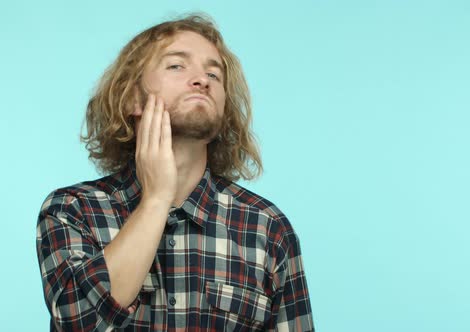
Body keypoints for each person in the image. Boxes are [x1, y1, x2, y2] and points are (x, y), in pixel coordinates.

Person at [36, 14, 314, 331]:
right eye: (177, 66)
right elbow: (79, 322)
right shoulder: (72, 210)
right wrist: (156, 200)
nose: (202, 79)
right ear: (132, 97)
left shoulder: (268, 228)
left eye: (214, 73)